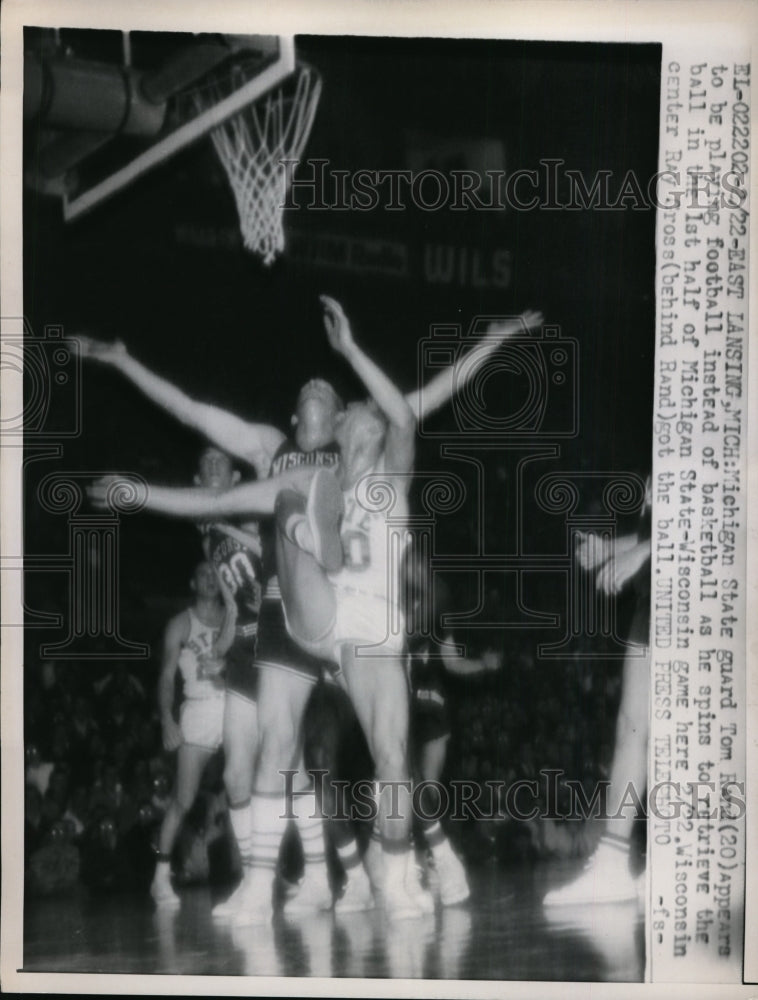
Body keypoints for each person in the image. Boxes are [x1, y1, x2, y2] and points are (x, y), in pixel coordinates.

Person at [543, 475, 651, 906]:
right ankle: (612, 864)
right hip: (658, 594)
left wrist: (647, 551)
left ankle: (682, 862)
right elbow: (657, 527)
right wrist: (614, 549)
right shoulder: (664, 444)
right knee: (632, 724)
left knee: (679, 734)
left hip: (701, 594)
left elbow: (726, 518)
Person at [403, 544, 503, 907]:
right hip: (397, 700)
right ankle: (410, 860)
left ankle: (432, 859)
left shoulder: (439, 609)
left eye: (422, 562)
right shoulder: (391, 602)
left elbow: (452, 662)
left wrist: (482, 665)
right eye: (412, 562)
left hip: (432, 704)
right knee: (397, 782)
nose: (418, 568)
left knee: (425, 787)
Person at [151, 561, 227, 906]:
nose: (211, 579)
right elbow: (167, 676)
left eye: (216, 573)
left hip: (235, 706)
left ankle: (270, 873)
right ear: (193, 581)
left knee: (255, 790)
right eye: (204, 574)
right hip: (199, 710)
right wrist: (167, 719)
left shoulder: (235, 617)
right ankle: (160, 878)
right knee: (183, 799)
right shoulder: (180, 623)